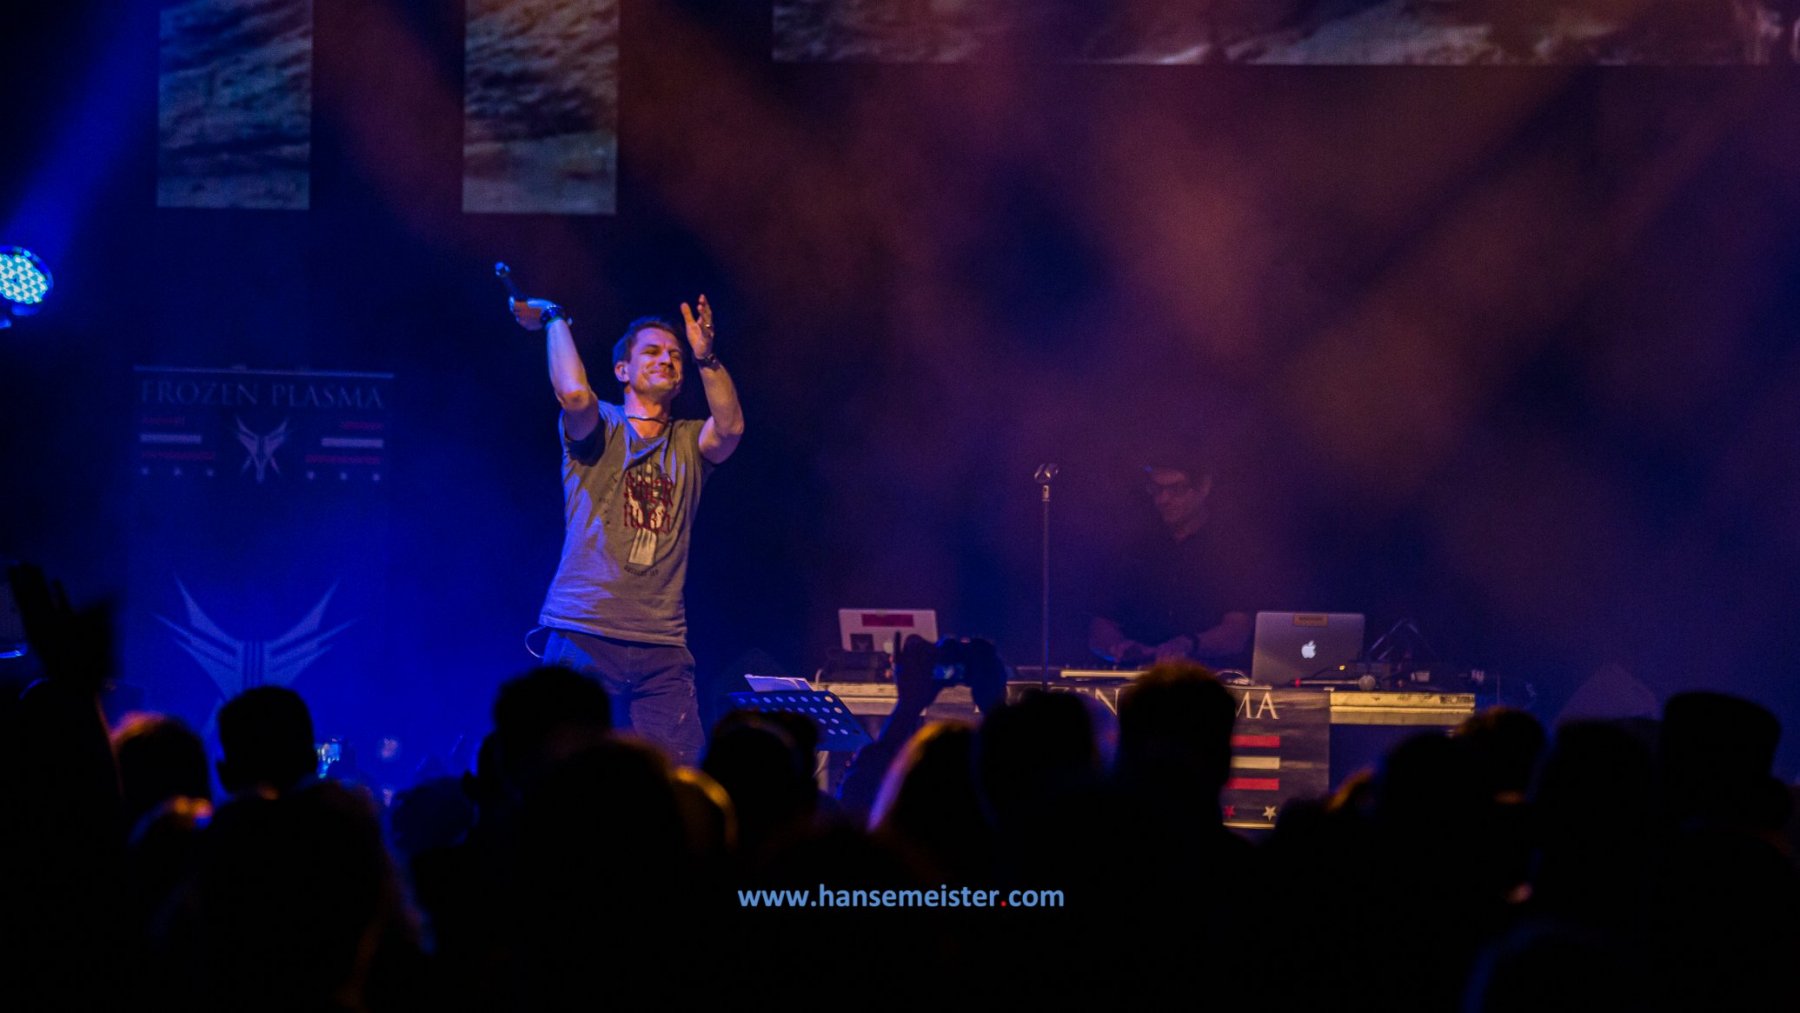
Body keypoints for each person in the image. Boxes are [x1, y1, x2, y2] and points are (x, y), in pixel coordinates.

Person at [511, 293, 745, 767]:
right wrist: (554, 318)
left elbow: (731, 428)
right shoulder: (602, 424)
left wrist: (705, 357)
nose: (667, 360)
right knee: (561, 766)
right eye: (652, 352)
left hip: (662, 643)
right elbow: (574, 395)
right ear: (622, 370)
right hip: (585, 630)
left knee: (678, 774)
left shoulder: (688, 441)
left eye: (674, 355)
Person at [1087, 462, 1253, 669]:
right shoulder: (1134, 546)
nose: (1162, 499)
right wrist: (1117, 647)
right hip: (1137, 678)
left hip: (1207, 677)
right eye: (1156, 489)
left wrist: (1188, 644)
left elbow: (1237, 632)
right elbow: (1101, 624)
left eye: (1177, 489)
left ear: (1204, 487)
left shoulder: (1232, 548)